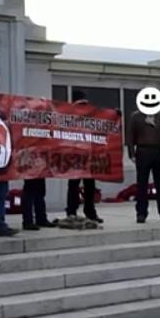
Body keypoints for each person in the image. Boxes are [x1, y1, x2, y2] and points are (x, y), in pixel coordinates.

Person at [127, 107, 160, 224]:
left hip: (159, 151)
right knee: (142, 184)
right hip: (143, 151)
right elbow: (130, 136)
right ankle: (141, 213)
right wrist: (132, 153)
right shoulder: (136, 116)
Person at [65, 90, 104, 223]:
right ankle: (90, 211)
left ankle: (71, 211)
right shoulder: (91, 112)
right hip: (88, 153)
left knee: (74, 185)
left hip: (75, 154)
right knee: (89, 186)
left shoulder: (69, 113)